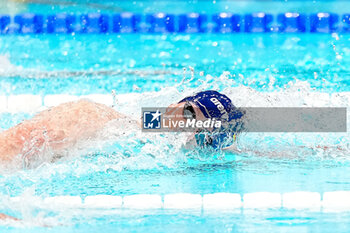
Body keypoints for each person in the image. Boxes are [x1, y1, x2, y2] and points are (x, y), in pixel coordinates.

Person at [0, 90, 243, 167]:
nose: (187, 129)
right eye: (188, 114)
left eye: (201, 133)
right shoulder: (90, 116)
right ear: (172, 106)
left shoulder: (140, 147)